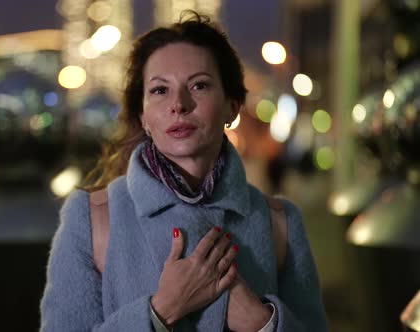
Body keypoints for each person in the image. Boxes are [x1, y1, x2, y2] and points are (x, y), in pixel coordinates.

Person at [40, 11, 327, 331]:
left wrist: (263, 323)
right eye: (160, 90)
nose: (179, 103)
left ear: (232, 106)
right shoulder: (92, 219)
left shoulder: (279, 222)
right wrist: (160, 311)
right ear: (144, 115)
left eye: (199, 85)